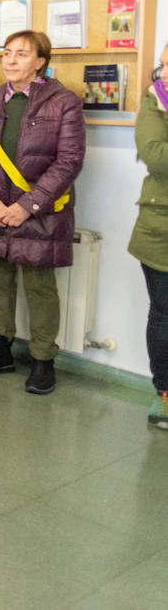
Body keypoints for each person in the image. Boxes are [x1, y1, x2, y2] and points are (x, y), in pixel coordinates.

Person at [0, 29, 85, 394]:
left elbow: (69, 161)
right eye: (7, 53)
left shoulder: (64, 102)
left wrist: (27, 205)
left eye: (22, 54)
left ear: (41, 62)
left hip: (40, 211)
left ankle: (43, 360)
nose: (11, 60)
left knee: (40, 286)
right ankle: (0, 349)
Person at [132, 40, 168, 428]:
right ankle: (166, 395)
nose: (164, 74)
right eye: (162, 65)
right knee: (165, 314)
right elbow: (157, 155)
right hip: (161, 230)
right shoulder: (155, 101)